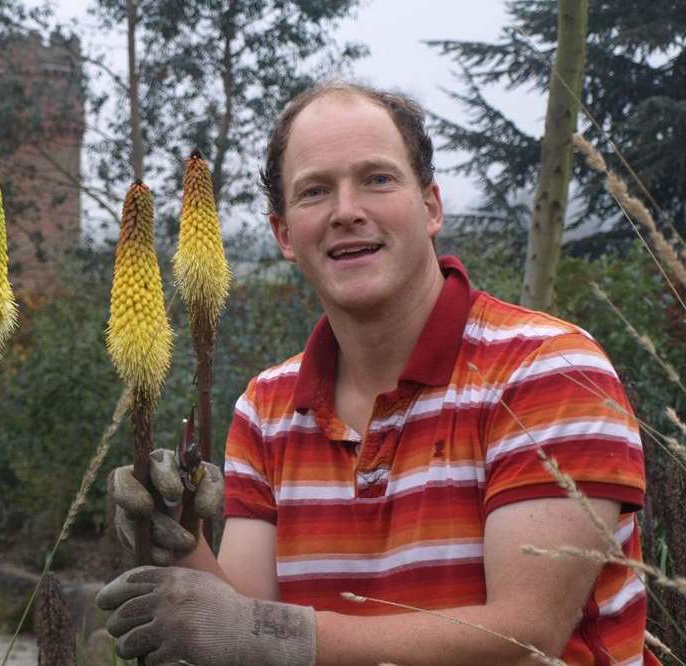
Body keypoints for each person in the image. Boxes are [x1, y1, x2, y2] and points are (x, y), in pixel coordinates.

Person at [98, 80, 655, 665]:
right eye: (314, 191)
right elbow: (245, 623)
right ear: (284, 234)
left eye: (378, 179)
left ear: (431, 206)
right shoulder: (266, 410)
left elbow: (523, 639)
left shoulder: (547, 369)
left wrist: (276, 636)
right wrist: (177, 540)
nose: (346, 211)